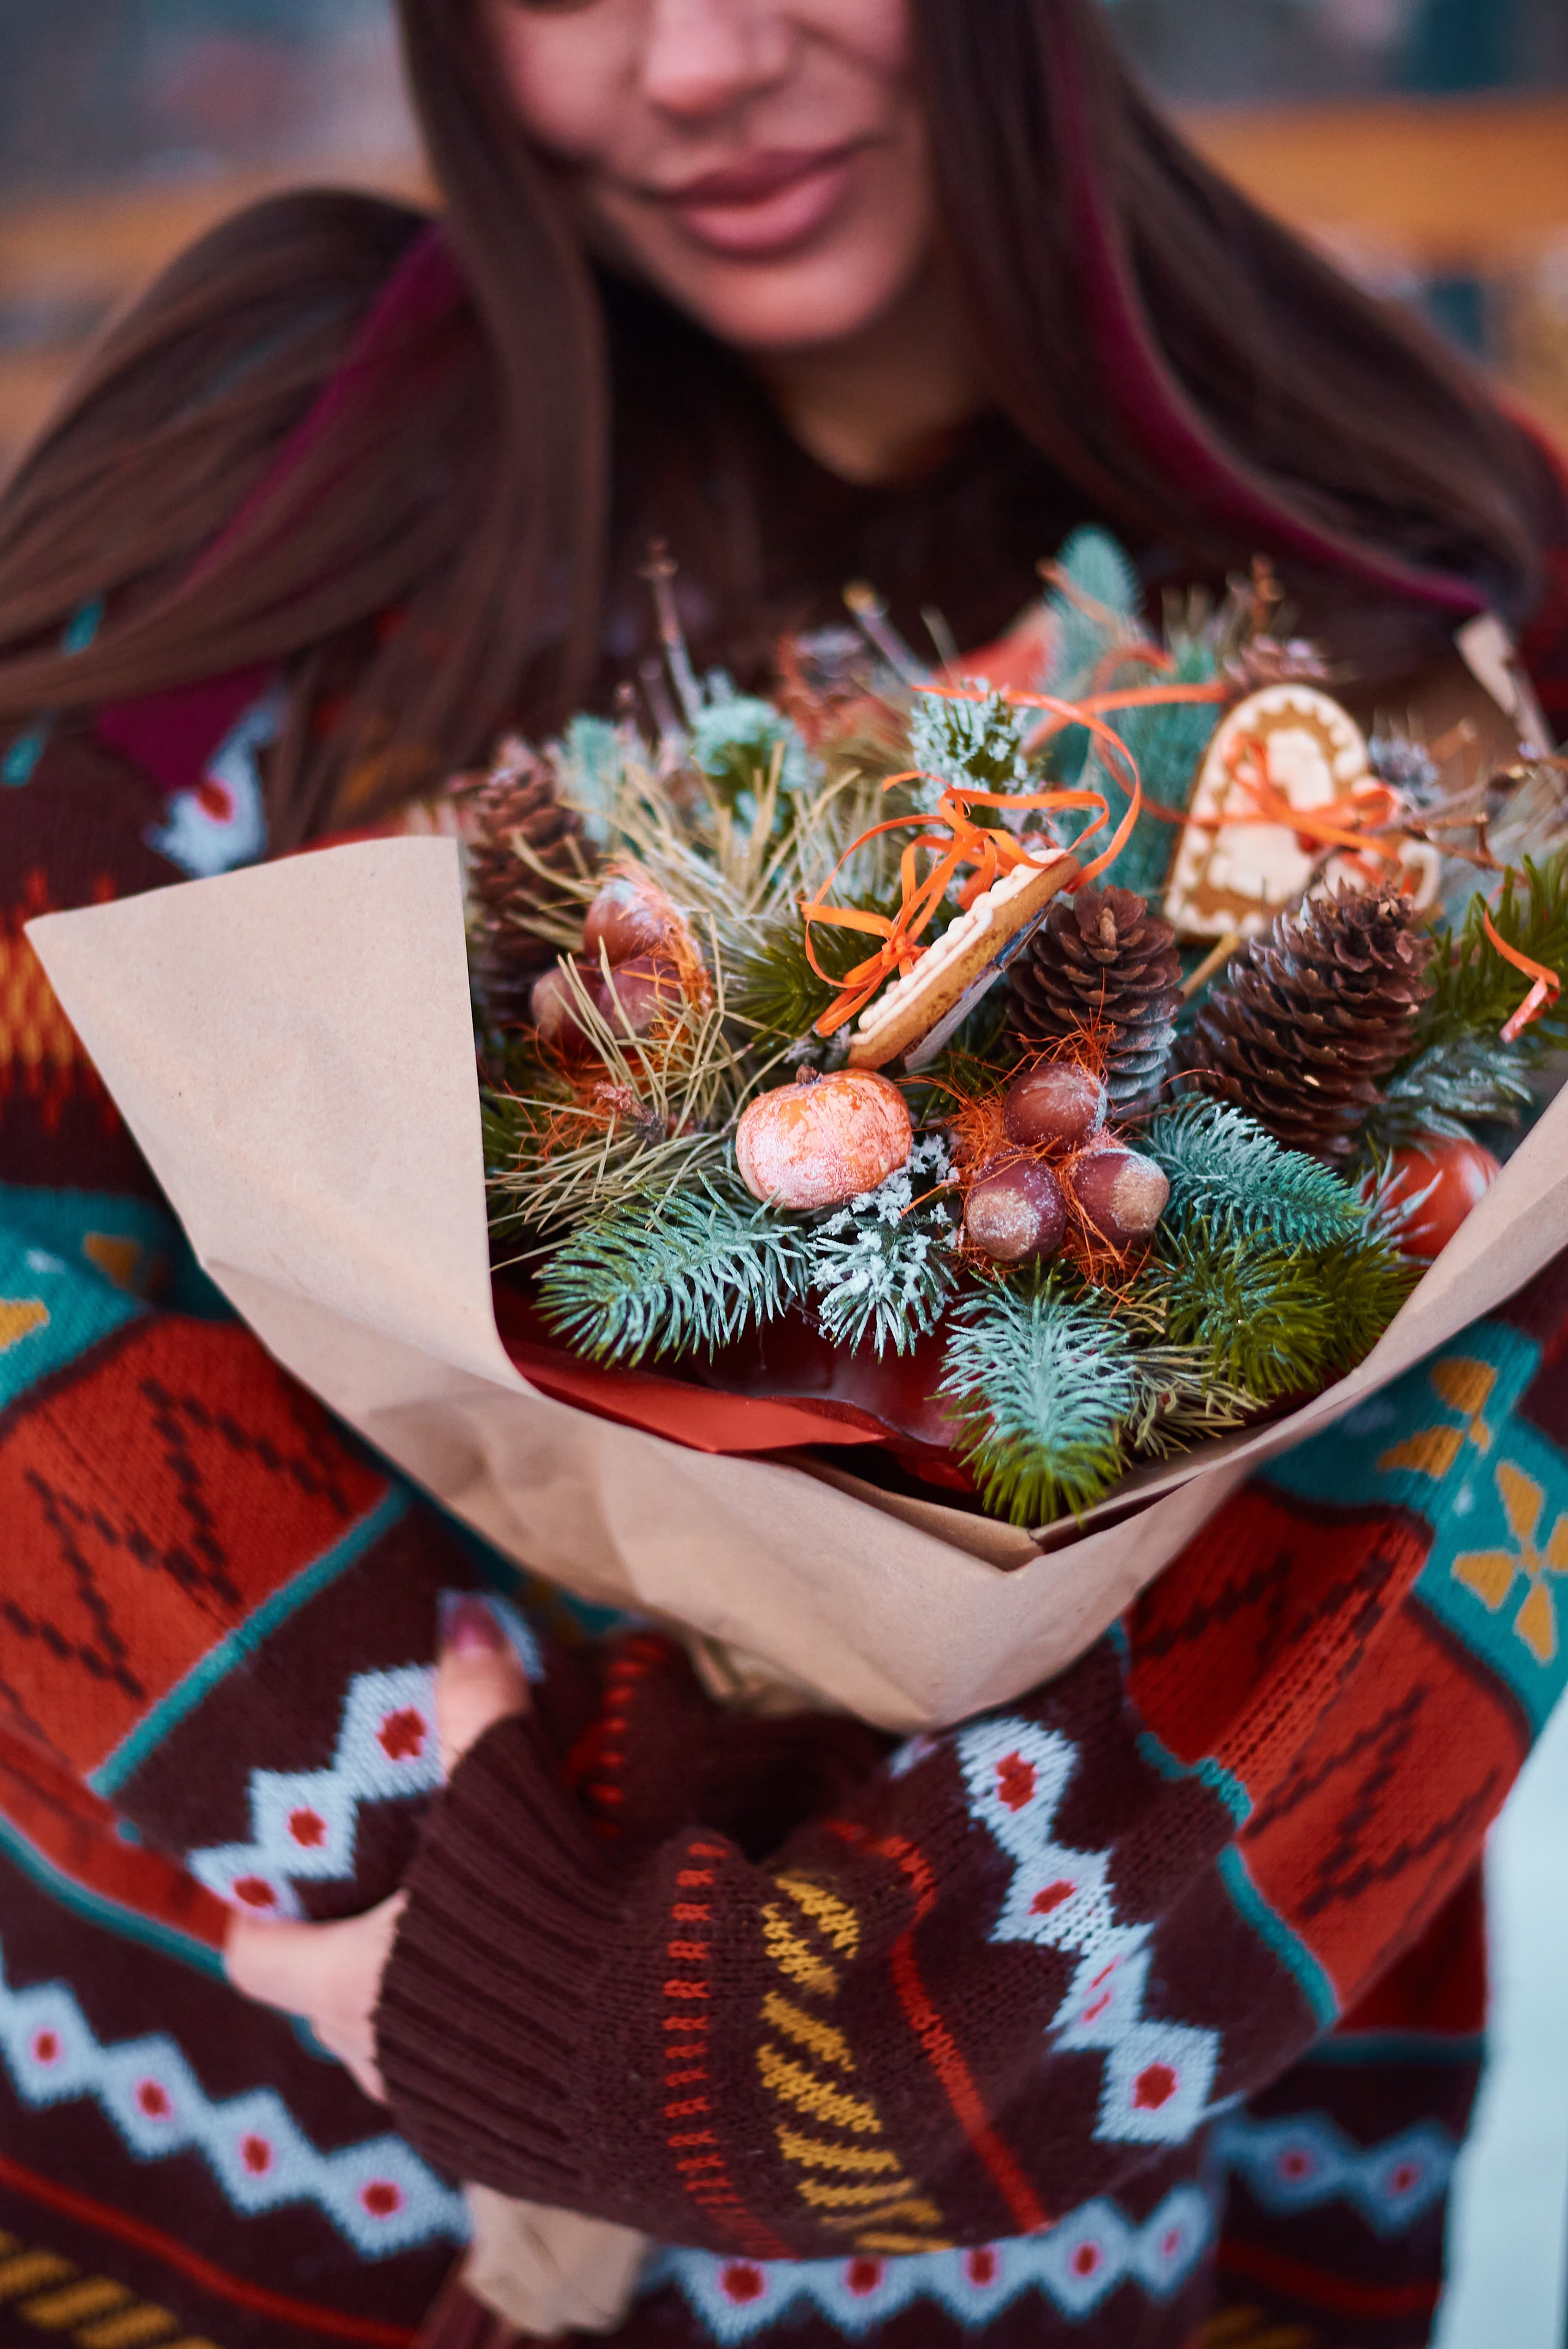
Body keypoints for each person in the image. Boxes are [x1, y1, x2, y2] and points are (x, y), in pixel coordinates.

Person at [1, 4, 1566, 2347]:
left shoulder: (1410, 594)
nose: (703, 59)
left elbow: (1472, 1484)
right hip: (225, 2108)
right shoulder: (301, 433)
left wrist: (794, 2045)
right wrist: (440, 1871)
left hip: (988, 2215)